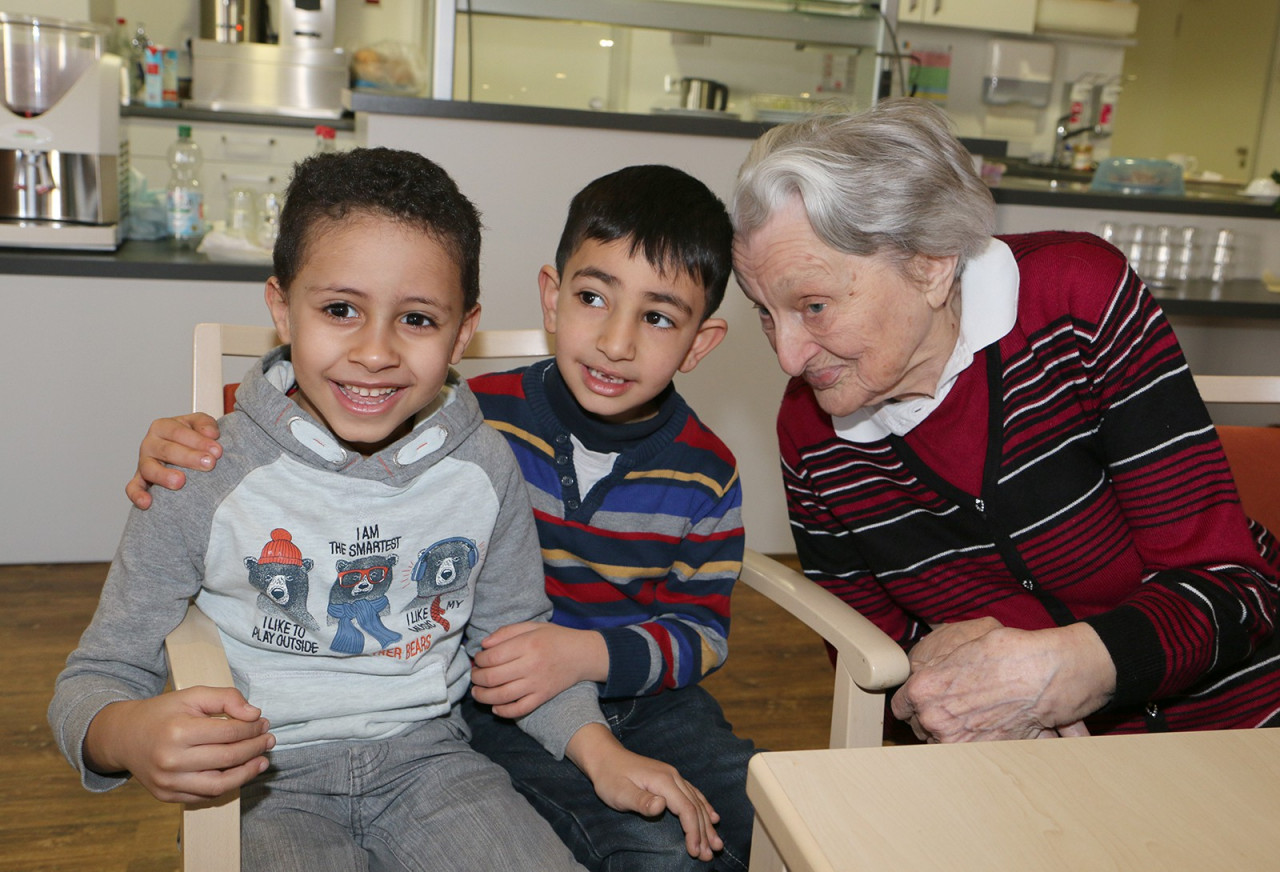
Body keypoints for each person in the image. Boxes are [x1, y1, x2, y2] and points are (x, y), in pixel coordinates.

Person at [50, 147, 720, 871]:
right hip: (263, 785)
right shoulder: (201, 469)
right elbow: (96, 677)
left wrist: (602, 755)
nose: (374, 352)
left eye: (417, 320)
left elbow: (516, 645)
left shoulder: (483, 466)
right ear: (282, 308)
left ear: (463, 332)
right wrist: (129, 736)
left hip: (435, 767)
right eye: (341, 309)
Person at [730, 97, 1280, 742]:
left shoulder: (1075, 300)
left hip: (1235, 715)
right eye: (765, 311)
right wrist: (952, 695)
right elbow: (871, 659)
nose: (788, 354)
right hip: (1010, 758)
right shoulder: (810, 429)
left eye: (814, 304)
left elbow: (1230, 584)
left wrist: (1069, 670)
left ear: (930, 264)